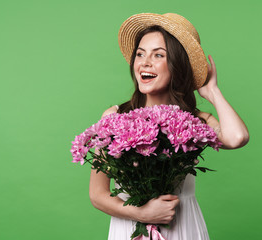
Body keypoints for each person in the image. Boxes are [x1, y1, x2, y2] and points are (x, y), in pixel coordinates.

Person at [89, 13, 249, 240]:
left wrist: (212, 92)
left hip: (182, 227)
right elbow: (97, 194)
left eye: (159, 55)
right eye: (140, 54)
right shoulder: (115, 117)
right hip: (130, 229)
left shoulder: (194, 122)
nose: (145, 62)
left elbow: (238, 138)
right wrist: (142, 213)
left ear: (177, 65)